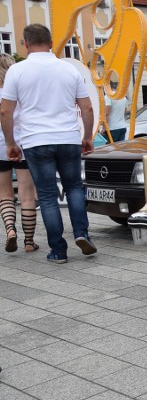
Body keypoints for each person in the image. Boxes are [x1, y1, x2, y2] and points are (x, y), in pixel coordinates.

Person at [0, 24, 96, 264]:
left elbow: (5, 111)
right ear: (52, 43)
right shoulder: (68, 70)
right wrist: (86, 138)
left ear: (25, 43)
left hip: (36, 141)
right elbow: (87, 107)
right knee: (74, 187)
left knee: (47, 195)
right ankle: (82, 234)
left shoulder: (17, 71)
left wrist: (11, 142)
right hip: (68, 138)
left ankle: (58, 251)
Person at [0, 54, 37, 254]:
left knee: (5, 194)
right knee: (27, 195)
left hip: (0, 148)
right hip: (22, 145)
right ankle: (29, 242)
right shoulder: (19, 94)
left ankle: (10, 231)